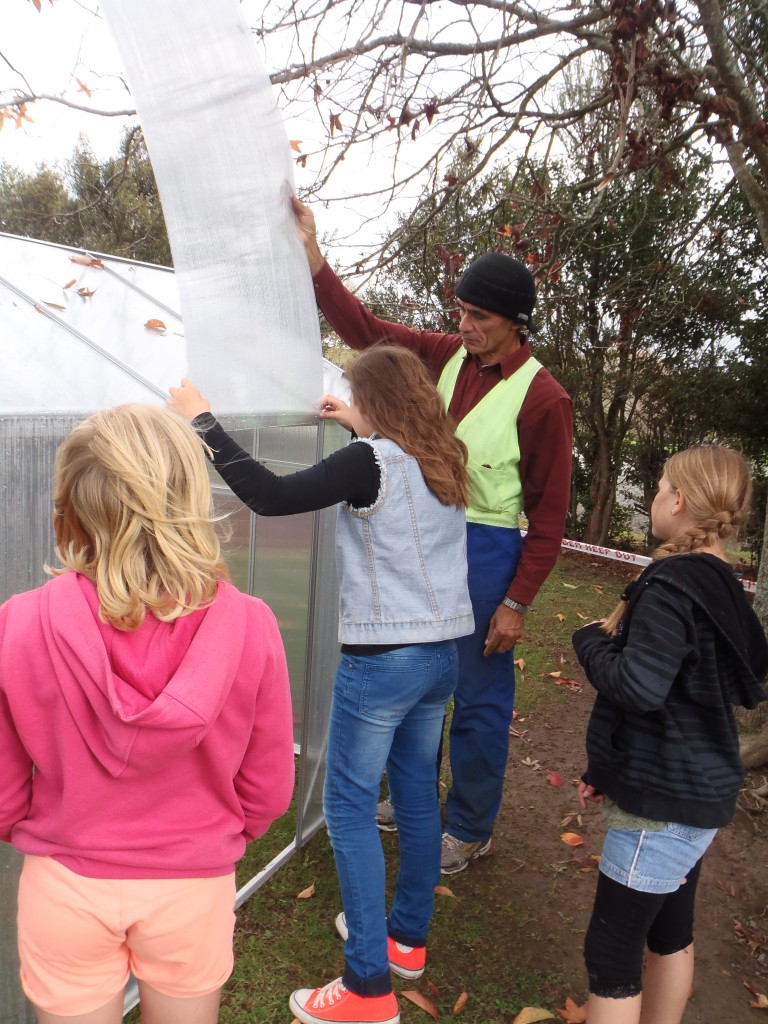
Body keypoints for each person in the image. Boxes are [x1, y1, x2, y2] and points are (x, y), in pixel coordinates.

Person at [168, 344, 474, 1024]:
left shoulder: (369, 461)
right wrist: (352, 420)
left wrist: (202, 421)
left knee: (349, 809)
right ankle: (406, 941)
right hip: (440, 658)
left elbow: (270, 496)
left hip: (383, 663)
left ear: (376, 403)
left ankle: (367, 987)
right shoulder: (442, 457)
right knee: (416, 798)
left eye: (353, 395)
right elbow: (383, 475)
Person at [291, 196, 574, 874]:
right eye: (462, 311)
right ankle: (411, 794)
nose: (465, 325)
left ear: (517, 322)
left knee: (478, 698)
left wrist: (517, 601)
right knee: (418, 678)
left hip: (487, 554)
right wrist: (314, 258)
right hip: (420, 530)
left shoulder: (545, 399)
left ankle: (470, 825)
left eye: (480, 317)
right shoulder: (446, 355)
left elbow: (551, 517)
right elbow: (366, 332)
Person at [0, 404, 295, 1024]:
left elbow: (1, 792)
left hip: (65, 881)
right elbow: (268, 788)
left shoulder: (18, 624)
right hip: (193, 884)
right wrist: (215, 834)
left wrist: (48, 827)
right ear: (193, 504)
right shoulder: (251, 626)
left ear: (65, 515)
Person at [572, 445, 768, 1024]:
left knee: (611, 953)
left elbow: (639, 689)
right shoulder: (722, 584)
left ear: (678, 500)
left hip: (662, 806)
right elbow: (683, 698)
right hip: (695, 794)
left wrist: (590, 644)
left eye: (659, 487)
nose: (655, 497)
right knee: (670, 931)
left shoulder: (670, 585)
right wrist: (605, 771)